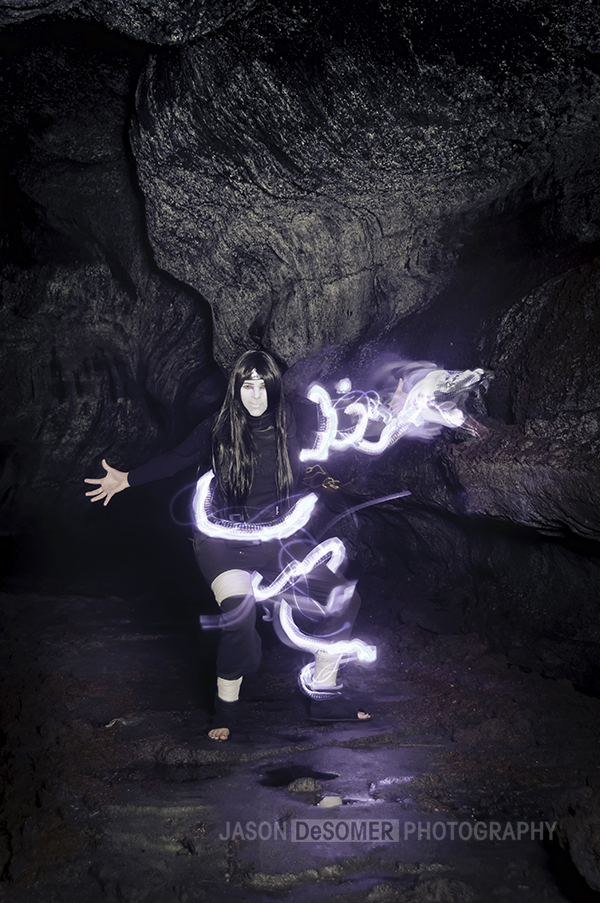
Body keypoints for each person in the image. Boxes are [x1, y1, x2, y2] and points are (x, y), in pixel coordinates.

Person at [85, 350, 371, 740]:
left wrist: (394, 402)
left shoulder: (292, 419)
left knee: (343, 598)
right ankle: (226, 711)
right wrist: (126, 479)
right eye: (247, 386)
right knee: (241, 620)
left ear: (274, 387)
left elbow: (339, 420)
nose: (255, 395)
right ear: (236, 388)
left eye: (262, 386)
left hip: (277, 538)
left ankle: (323, 697)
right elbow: (174, 459)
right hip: (221, 543)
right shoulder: (217, 428)